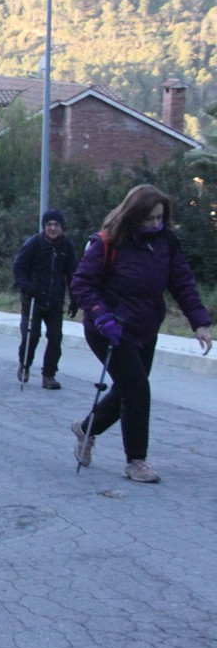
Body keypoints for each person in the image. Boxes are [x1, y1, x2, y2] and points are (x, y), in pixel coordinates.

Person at [69, 184, 212, 483]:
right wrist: (101, 315)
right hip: (109, 329)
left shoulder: (166, 242)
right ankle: (136, 461)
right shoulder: (108, 242)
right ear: (133, 215)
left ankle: (86, 429)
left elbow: (182, 281)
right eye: (149, 218)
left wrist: (199, 322)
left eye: (160, 217)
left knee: (127, 389)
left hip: (145, 328)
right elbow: (82, 284)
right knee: (137, 389)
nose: (155, 224)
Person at [12, 209, 78, 389]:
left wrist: (75, 298)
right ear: (44, 226)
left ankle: (49, 375)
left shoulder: (66, 247)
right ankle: (24, 364)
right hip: (33, 299)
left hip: (55, 300)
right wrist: (26, 286)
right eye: (49, 224)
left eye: (56, 225)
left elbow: (73, 274)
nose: (53, 228)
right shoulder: (34, 244)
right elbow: (18, 267)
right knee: (31, 335)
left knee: (55, 337)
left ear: (62, 227)